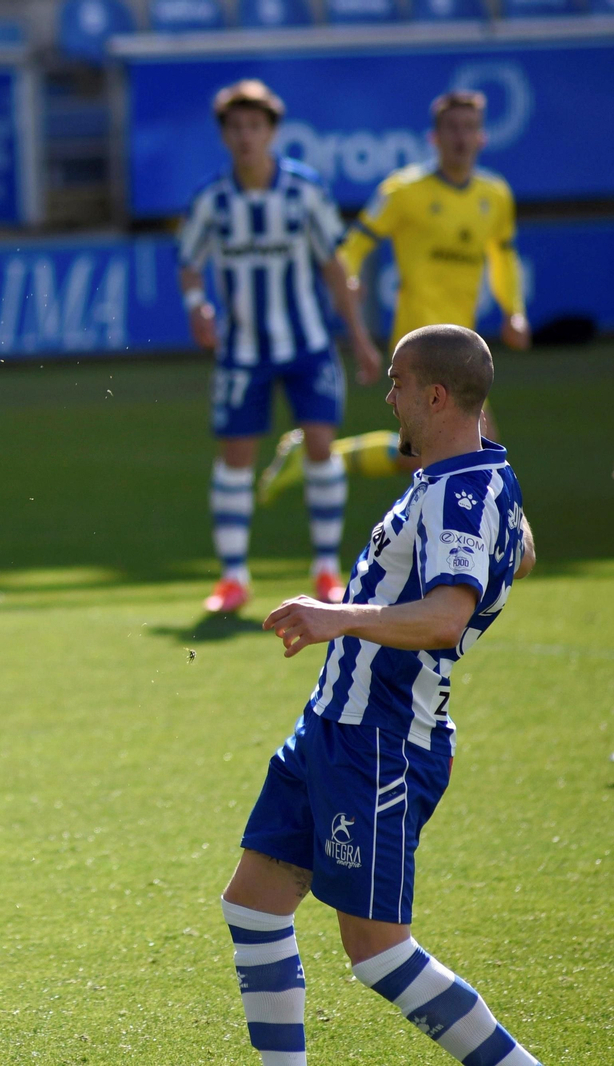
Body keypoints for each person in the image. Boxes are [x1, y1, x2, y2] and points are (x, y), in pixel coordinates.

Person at [221, 324, 539, 1066]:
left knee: (378, 954)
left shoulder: (460, 494)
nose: (387, 395)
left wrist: (340, 616)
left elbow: (444, 617)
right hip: (332, 727)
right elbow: (520, 554)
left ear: (434, 394)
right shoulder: (475, 475)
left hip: (382, 744)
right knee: (253, 904)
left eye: (396, 383)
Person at [261, 90, 528, 504]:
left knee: (440, 454)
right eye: (451, 128)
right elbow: (355, 243)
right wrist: (346, 278)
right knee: (470, 447)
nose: (460, 136)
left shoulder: (495, 195)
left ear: (482, 138)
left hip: (465, 339)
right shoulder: (404, 191)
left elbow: (503, 257)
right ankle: (438, 545)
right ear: (433, 137)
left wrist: (514, 311)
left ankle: (329, 460)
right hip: (418, 335)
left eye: (469, 128)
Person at [178, 80, 381, 615]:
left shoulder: (304, 191)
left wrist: (359, 339)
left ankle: (326, 568)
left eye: (255, 126)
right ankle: (233, 577)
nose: (245, 136)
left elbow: (334, 266)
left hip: (309, 345)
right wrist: (197, 304)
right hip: (243, 351)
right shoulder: (213, 199)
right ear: (224, 135)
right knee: (236, 458)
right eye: (235, 127)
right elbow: (189, 261)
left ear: (271, 132)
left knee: (320, 446)